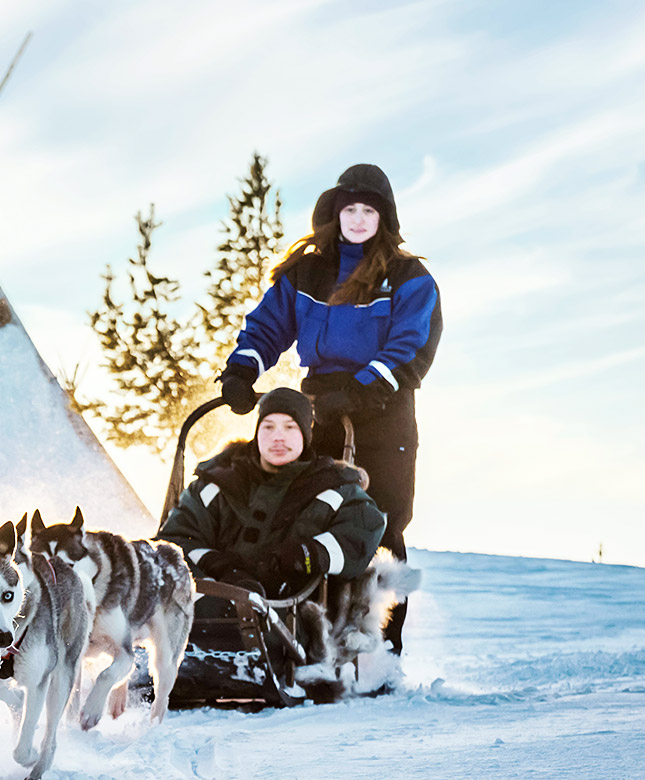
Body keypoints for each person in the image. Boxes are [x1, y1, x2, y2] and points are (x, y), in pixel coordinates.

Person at [216, 163, 441, 654]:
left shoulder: (408, 276)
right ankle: (303, 640)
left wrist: (362, 391)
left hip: (384, 409)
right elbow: (268, 326)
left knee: (379, 521)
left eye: (368, 210)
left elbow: (410, 344)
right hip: (319, 406)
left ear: (384, 217)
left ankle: (380, 650)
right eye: (349, 209)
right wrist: (241, 372)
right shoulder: (307, 272)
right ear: (334, 213)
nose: (358, 219)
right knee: (303, 515)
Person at [159, 388, 385, 599]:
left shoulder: (333, 488)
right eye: (268, 427)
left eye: (290, 427)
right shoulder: (215, 483)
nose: (278, 437)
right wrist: (222, 567)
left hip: (292, 613)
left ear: (306, 434)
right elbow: (175, 540)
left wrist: (305, 555)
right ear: (256, 432)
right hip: (208, 603)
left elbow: (362, 530)